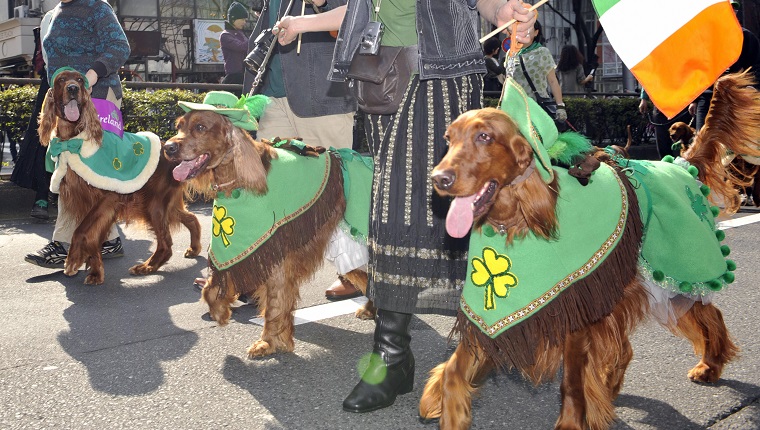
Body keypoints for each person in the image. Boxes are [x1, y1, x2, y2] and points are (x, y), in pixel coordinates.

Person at [274, 0, 536, 413]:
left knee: (434, 212)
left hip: (439, 77)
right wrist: (303, 23)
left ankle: (435, 356)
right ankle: (403, 358)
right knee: (395, 212)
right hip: (381, 80)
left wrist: (502, 10)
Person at [242, 0, 360, 301]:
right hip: (272, 97)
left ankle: (356, 271)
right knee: (270, 191)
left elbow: (359, 13)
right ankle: (256, 272)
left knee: (340, 188)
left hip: (323, 94)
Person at [24, 0, 131, 269]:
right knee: (72, 169)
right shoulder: (57, 12)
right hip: (67, 104)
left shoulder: (97, 7)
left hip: (97, 98)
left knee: (90, 171)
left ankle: (64, 244)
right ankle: (108, 239)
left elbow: (120, 46)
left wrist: (91, 75)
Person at [689, 0, 760, 131]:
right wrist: (694, 99)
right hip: (709, 98)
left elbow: (756, 66)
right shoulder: (706, 39)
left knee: (736, 141)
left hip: (737, 96)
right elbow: (699, 70)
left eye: (733, 9)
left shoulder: (747, 37)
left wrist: (751, 86)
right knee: (703, 142)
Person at [11, 13, 54, 220]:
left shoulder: (97, 10)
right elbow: (47, 57)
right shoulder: (52, 16)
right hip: (53, 81)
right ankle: (42, 195)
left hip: (87, 82)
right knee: (43, 137)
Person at [510, 20, 567, 124]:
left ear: (536, 32)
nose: (524, 31)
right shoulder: (511, 54)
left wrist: (560, 106)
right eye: (521, 28)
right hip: (515, 107)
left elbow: (553, 80)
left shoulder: (542, 52)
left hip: (536, 106)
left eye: (528, 28)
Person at [220, 2, 250, 88]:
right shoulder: (225, 35)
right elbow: (241, 47)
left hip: (244, 74)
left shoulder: (241, 33)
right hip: (234, 76)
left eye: (245, 20)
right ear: (233, 19)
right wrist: (253, 39)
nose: (244, 22)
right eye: (242, 19)